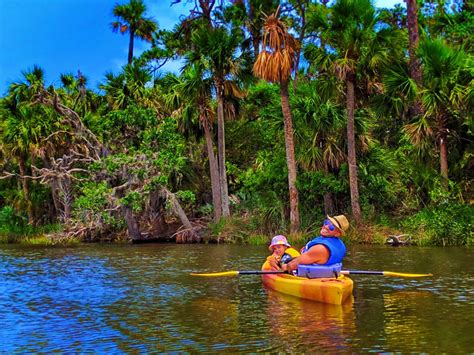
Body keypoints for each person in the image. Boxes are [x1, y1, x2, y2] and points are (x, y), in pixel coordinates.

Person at [282, 215, 349, 273]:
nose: (326, 226)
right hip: (326, 272)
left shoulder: (320, 248)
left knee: (282, 260)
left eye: (332, 227)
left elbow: (292, 265)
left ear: (337, 233)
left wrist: (284, 266)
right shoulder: (338, 244)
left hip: (310, 276)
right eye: (327, 222)